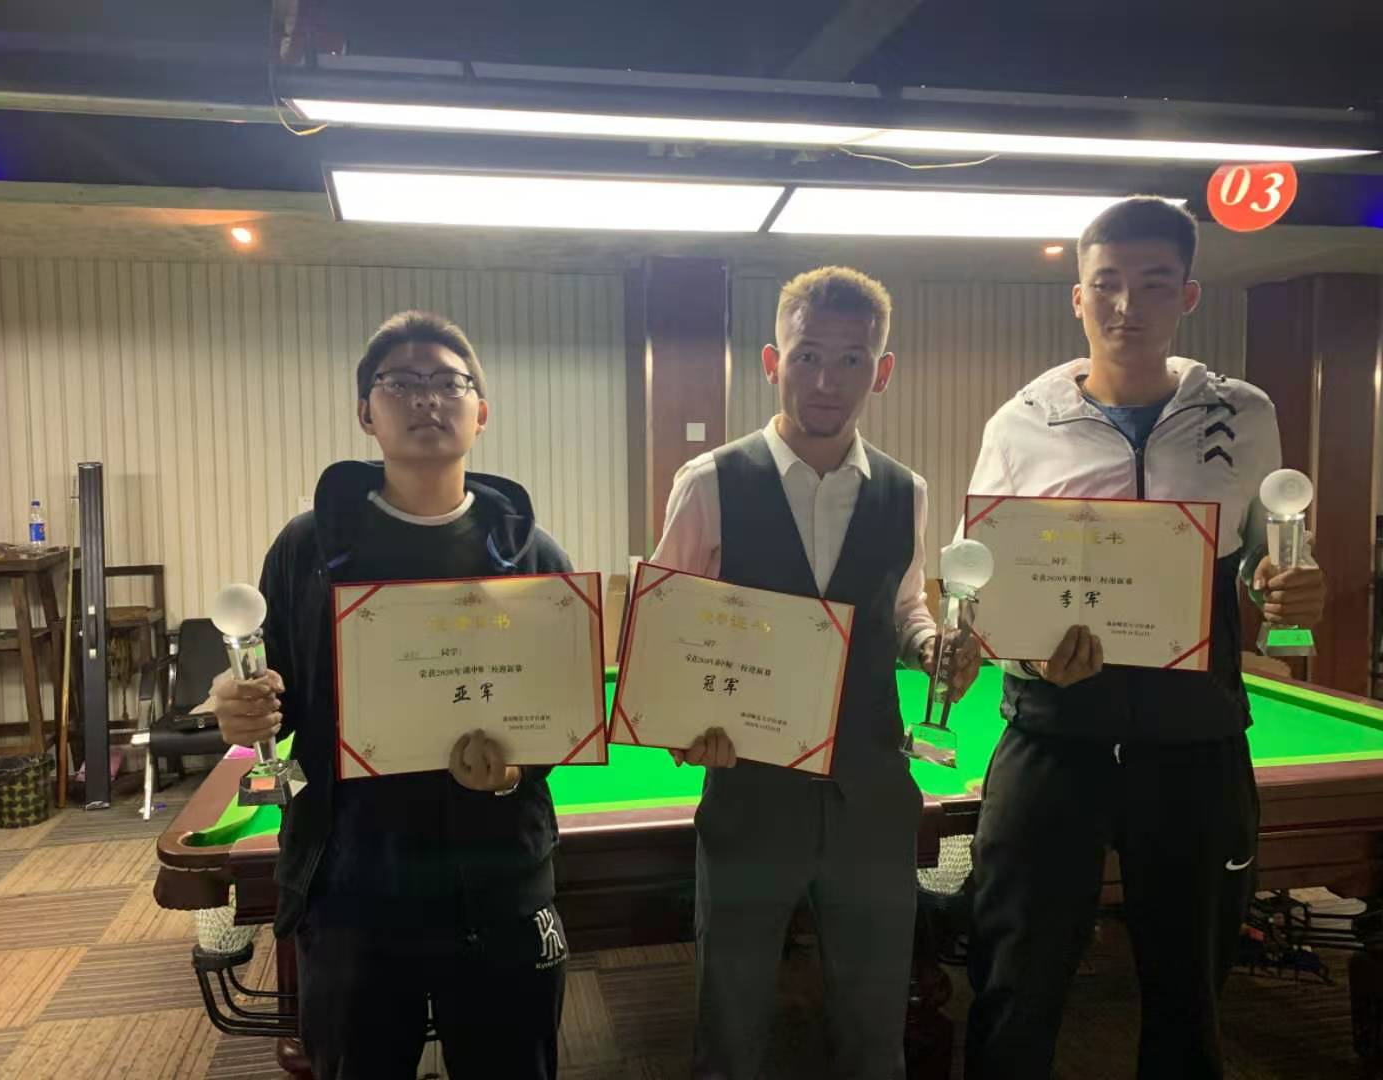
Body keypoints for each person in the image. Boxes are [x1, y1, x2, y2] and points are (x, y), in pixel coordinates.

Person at [961, 197, 1328, 1079]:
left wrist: (1289, 584)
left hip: (1194, 739)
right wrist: (1027, 651)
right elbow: (981, 582)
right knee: (1015, 980)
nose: (1127, 306)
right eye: (1107, 284)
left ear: (1188, 296)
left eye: (1154, 284)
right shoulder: (1019, 424)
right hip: (1053, 730)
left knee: (1190, 991)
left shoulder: (1244, 414)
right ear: (1077, 298)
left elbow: (1262, 559)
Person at [210, 311, 573, 1080]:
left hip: (499, 876)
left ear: (481, 412)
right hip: (353, 880)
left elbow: (557, 718)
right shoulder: (308, 547)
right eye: (401, 383)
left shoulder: (533, 555)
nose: (427, 398)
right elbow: (274, 698)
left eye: (449, 382)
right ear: (365, 413)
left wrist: (515, 770)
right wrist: (239, 709)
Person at [653, 265, 981, 1079]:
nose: (826, 381)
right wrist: (681, 728)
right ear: (773, 362)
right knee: (730, 1027)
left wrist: (931, 646)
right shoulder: (711, 482)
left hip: (872, 792)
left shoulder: (905, 491)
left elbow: (901, 607)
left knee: (875, 1032)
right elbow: (666, 634)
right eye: (807, 357)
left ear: (882, 370)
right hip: (750, 790)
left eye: (850, 360)